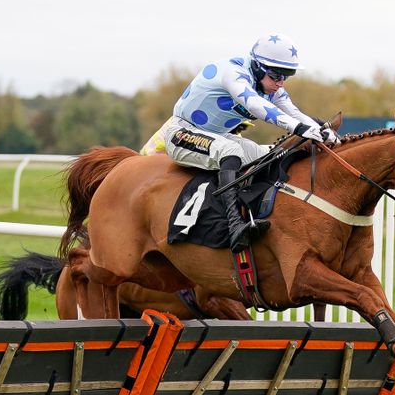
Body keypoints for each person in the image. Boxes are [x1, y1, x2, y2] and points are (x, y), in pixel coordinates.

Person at [140, 32, 338, 252]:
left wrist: (323, 131)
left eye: (286, 77)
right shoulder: (233, 73)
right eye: (275, 76)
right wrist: (298, 128)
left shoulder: (273, 88)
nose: (280, 83)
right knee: (231, 150)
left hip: (218, 136)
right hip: (181, 133)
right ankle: (234, 225)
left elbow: (294, 113)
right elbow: (254, 105)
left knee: (269, 155)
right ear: (257, 67)